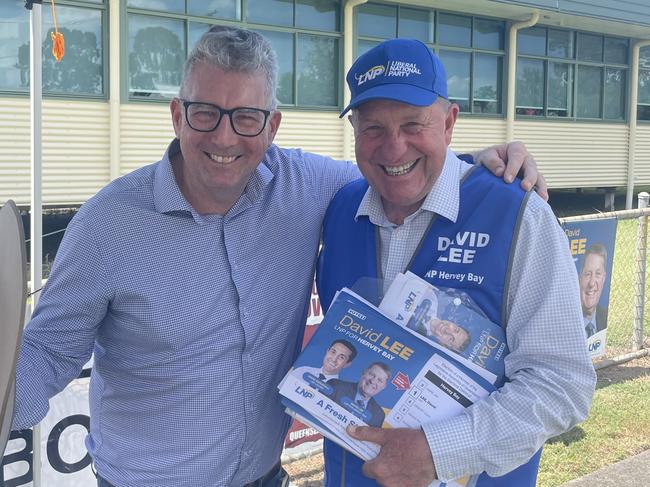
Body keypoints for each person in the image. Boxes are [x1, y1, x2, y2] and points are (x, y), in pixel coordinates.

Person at [11, 26, 546, 487]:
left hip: (266, 476)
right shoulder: (108, 224)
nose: (224, 136)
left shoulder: (309, 186)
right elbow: (48, 353)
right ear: (177, 115)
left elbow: (396, 165)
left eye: (246, 117)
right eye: (205, 113)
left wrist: (481, 167)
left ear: (273, 125)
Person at [316, 38, 596, 487]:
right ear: (354, 132)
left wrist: (437, 451)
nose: (393, 148)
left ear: (449, 123)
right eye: (372, 129)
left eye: (413, 124)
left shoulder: (516, 214)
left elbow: (561, 383)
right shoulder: (339, 211)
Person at [328, 362, 390, 428]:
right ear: (363, 373)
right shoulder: (336, 386)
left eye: (379, 380)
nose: (373, 381)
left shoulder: (378, 415)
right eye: (372, 375)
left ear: (383, 387)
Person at [292, 339, 357, 383]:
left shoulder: (338, 391)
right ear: (327, 351)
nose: (334, 359)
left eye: (341, 357)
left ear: (347, 364)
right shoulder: (302, 371)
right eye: (333, 352)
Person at [580, 243, 609, 337]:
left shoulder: (604, 316)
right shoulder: (565, 320)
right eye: (588, 274)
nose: (592, 283)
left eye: (598, 274)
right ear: (579, 277)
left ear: (603, 278)